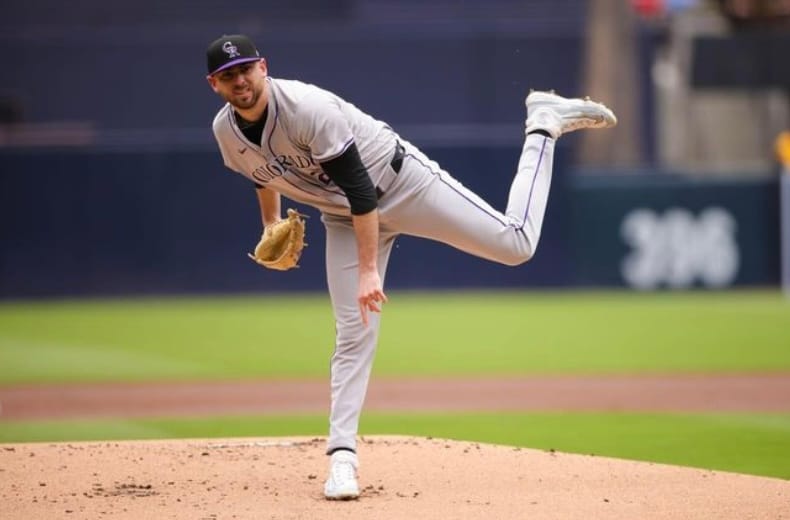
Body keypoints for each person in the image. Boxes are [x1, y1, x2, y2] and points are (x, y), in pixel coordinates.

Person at [204, 34, 616, 500]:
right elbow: (265, 175)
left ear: (264, 67)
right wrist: (270, 223)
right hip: (343, 216)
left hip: (402, 185)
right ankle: (342, 459)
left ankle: (542, 123)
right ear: (214, 85)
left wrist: (367, 271)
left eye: (246, 70)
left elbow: (360, 189)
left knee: (516, 244)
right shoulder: (226, 133)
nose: (240, 81)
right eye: (228, 75)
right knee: (353, 331)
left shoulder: (306, 108)